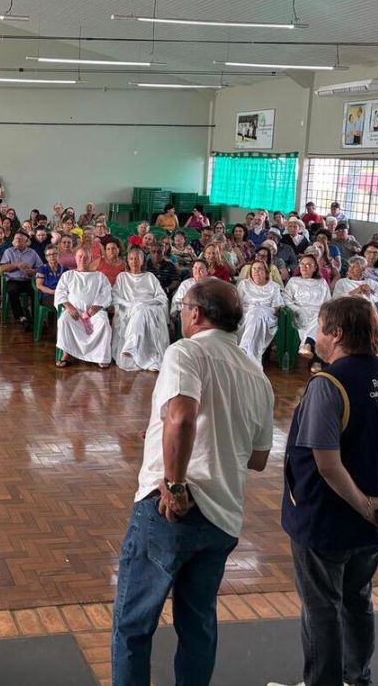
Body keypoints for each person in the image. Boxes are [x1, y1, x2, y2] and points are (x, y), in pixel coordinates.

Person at [112, 278, 274, 686]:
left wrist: (175, 483)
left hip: (172, 509)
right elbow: (258, 459)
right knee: (198, 626)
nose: (181, 314)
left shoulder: (186, 351)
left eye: (183, 307)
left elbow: (181, 416)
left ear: (196, 314)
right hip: (223, 516)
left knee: (134, 624)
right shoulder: (256, 374)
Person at [268, 297, 378, 686]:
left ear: (336, 334)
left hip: (327, 519)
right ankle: (357, 678)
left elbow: (327, 462)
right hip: (375, 521)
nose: (317, 336)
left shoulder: (329, 384)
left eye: (321, 328)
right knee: (358, 599)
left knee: (322, 607)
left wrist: (366, 505)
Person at [111, 247, 170, 372]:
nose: (134, 262)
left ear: (143, 261)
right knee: (139, 310)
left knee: (142, 310)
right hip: (128, 310)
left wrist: (143, 303)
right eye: (131, 259)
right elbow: (115, 296)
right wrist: (131, 304)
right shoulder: (122, 277)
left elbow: (162, 297)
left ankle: (131, 347)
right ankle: (145, 357)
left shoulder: (150, 277)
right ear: (127, 261)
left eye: (137, 259)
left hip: (149, 309)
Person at [54, 246, 112, 368]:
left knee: (104, 323)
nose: (82, 259)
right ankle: (66, 353)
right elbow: (60, 293)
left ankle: (101, 356)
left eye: (86, 257)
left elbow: (106, 293)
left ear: (91, 259)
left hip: (94, 312)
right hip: (74, 311)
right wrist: (69, 307)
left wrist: (96, 307)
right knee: (64, 320)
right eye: (80, 256)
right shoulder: (68, 275)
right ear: (75, 258)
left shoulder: (99, 276)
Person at [333, 256, 378, 355]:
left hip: (370, 315)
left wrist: (371, 293)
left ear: (363, 269)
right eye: (350, 266)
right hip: (349, 315)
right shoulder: (342, 283)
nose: (350, 269)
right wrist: (357, 290)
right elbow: (336, 301)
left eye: (354, 267)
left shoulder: (372, 283)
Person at [289, 255, 332, 371]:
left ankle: (307, 344)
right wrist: (297, 309)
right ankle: (316, 361)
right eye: (302, 264)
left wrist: (324, 311)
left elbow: (328, 301)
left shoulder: (322, 282)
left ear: (315, 268)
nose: (305, 267)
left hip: (319, 313)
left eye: (308, 265)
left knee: (321, 320)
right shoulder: (293, 281)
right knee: (320, 323)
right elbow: (285, 298)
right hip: (300, 313)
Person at [237, 259, 284, 363]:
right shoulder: (244, 284)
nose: (256, 271)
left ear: (266, 272)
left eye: (260, 269)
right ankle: (251, 356)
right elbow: (237, 303)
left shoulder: (274, 286)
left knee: (256, 312)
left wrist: (260, 310)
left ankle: (244, 347)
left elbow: (276, 308)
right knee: (253, 313)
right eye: (254, 269)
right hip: (245, 315)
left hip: (267, 316)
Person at [0, 232, 43, 328]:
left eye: (20, 239)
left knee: (36, 291)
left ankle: (36, 317)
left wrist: (33, 271)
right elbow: (2, 268)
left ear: (26, 242)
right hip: (13, 280)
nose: (18, 240)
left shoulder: (32, 252)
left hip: (28, 280)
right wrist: (17, 265)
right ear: (13, 241)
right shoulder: (8, 251)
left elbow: (41, 268)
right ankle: (21, 317)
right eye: (16, 238)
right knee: (12, 291)